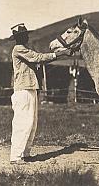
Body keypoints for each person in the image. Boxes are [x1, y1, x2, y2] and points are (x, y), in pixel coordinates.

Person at [9, 23, 72, 164]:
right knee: (23, 122)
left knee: (31, 122)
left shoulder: (25, 49)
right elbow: (37, 58)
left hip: (30, 88)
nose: (27, 37)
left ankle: (25, 153)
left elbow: (37, 59)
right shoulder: (18, 49)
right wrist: (60, 53)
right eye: (24, 35)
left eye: (26, 34)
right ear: (18, 38)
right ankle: (15, 156)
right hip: (23, 90)